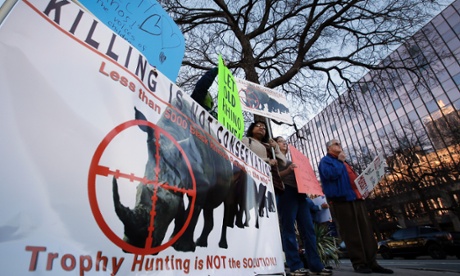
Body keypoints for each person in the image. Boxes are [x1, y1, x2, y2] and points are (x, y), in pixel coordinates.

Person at [318, 139, 393, 274]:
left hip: (357, 198)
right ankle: (359, 263)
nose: (339, 145)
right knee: (351, 232)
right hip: (342, 200)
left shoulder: (344, 162)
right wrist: (340, 162)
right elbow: (330, 175)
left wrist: (365, 187)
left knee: (366, 231)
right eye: (336, 144)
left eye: (339, 143)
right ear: (329, 148)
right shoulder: (326, 161)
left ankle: (372, 262)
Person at [275, 136, 332, 276]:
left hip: (300, 194)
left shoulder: (291, 160)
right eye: (281, 141)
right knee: (288, 230)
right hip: (286, 192)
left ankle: (316, 266)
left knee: (309, 230)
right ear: (275, 144)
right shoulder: (275, 160)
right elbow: (273, 177)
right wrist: (288, 170)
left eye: (285, 142)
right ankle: (295, 266)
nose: (284, 143)